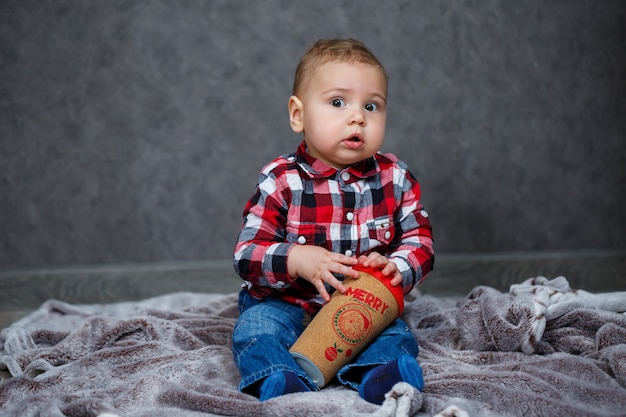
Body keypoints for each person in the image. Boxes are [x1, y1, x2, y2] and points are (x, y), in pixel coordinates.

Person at [232, 38, 434, 405]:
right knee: (254, 329)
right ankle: (279, 377)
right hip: (286, 303)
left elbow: (420, 241)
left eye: (371, 106)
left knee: (395, 334)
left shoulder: (395, 178)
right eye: (338, 102)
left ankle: (379, 375)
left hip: (362, 306)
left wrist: (395, 267)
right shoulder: (281, 180)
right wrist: (296, 258)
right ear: (298, 114)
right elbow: (247, 254)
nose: (357, 116)